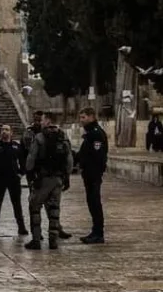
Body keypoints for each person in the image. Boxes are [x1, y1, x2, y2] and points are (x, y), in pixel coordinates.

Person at [24, 111, 72, 250]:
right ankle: (53, 240)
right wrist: (66, 176)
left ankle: (36, 239)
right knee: (54, 209)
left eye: (43, 120)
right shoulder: (63, 136)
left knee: (35, 207)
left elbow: (31, 160)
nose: (41, 122)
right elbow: (69, 159)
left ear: (48, 121)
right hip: (58, 179)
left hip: (43, 178)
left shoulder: (39, 137)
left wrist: (30, 173)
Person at [0, 124, 27, 236]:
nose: (4, 132)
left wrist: (20, 174)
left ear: (11, 132)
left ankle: (21, 227)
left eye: (7, 130)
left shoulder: (16, 146)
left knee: (17, 204)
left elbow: (23, 162)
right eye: (2, 130)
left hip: (14, 179)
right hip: (0, 179)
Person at [75, 107, 108, 244]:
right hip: (88, 173)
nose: (81, 120)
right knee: (91, 202)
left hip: (93, 174)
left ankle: (98, 233)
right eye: (81, 117)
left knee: (95, 203)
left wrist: (95, 171)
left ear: (92, 117)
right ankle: (95, 231)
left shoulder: (96, 134)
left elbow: (98, 156)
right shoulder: (90, 133)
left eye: (84, 117)